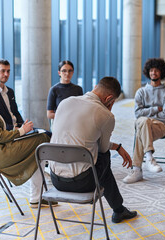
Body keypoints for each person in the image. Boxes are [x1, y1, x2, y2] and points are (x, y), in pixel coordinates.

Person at [49, 76, 138, 223]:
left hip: (56, 180)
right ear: (109, 98)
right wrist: (116, 147)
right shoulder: (106, 115)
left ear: (96, 86)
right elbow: (103, 148)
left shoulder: (65, 102)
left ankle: (119, 209)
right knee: (104, 155)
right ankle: (118, 209)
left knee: (92, 149)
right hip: (83, 183)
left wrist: (117, 146)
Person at [0, 71, 53, 209]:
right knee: (42, 139)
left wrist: (19, 132)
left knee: (38, 142)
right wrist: (22, 131)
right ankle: (40, 193)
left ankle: (37, 196)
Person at [123, 58, 165, 184]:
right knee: (143, 122)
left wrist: (147, 112)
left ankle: (136, 170)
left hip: (160, 126)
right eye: (151, 70)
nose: (153, 73)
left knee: (142, 126)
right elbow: (137, 113)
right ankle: (149, 157)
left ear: (161, 72)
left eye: (156, 70)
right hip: (144, 124)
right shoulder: (141, 92)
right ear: (148, 72)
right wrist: (156, 109)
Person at [0, 59, 24, 130]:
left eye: (8, 71)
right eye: (2, 71)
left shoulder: (10, 92)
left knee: (46, 133)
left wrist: (23, 125)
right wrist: (15, 129)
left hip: (18, 128)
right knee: (44, 136)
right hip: (8, 132)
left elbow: (15, 112)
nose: (6, 74)